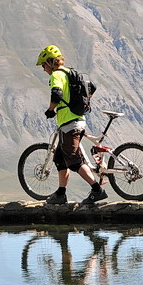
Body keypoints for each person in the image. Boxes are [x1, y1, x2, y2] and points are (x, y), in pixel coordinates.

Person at [35, 45, 106, 206]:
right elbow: (92, 86)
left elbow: (57, 93)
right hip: (75, 122)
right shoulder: (70, 73)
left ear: (50, 62)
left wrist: (50, 109)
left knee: (73, 159)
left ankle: (97, 190)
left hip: (70, 124)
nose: (43, 69)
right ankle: (61, 194)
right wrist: (85, 103)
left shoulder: (57, 75)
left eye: (44, 65)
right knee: (60, 158)